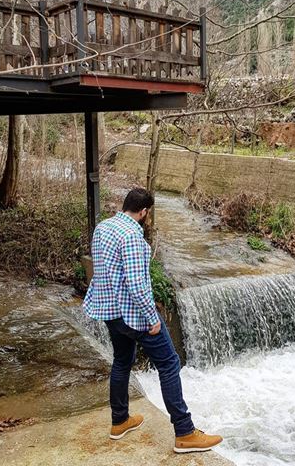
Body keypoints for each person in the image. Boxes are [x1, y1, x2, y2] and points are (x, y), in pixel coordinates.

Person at [83, 187, 223, 454]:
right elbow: (137, 285)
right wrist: (152, 318)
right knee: (169, 364)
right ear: (144, 212)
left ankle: (120, 421)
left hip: (109, 310)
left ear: (125, 205)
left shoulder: (103, 228)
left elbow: (100, 269)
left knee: (122, 361)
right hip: (133, 315)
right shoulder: (133, 237)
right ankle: (184, 433)